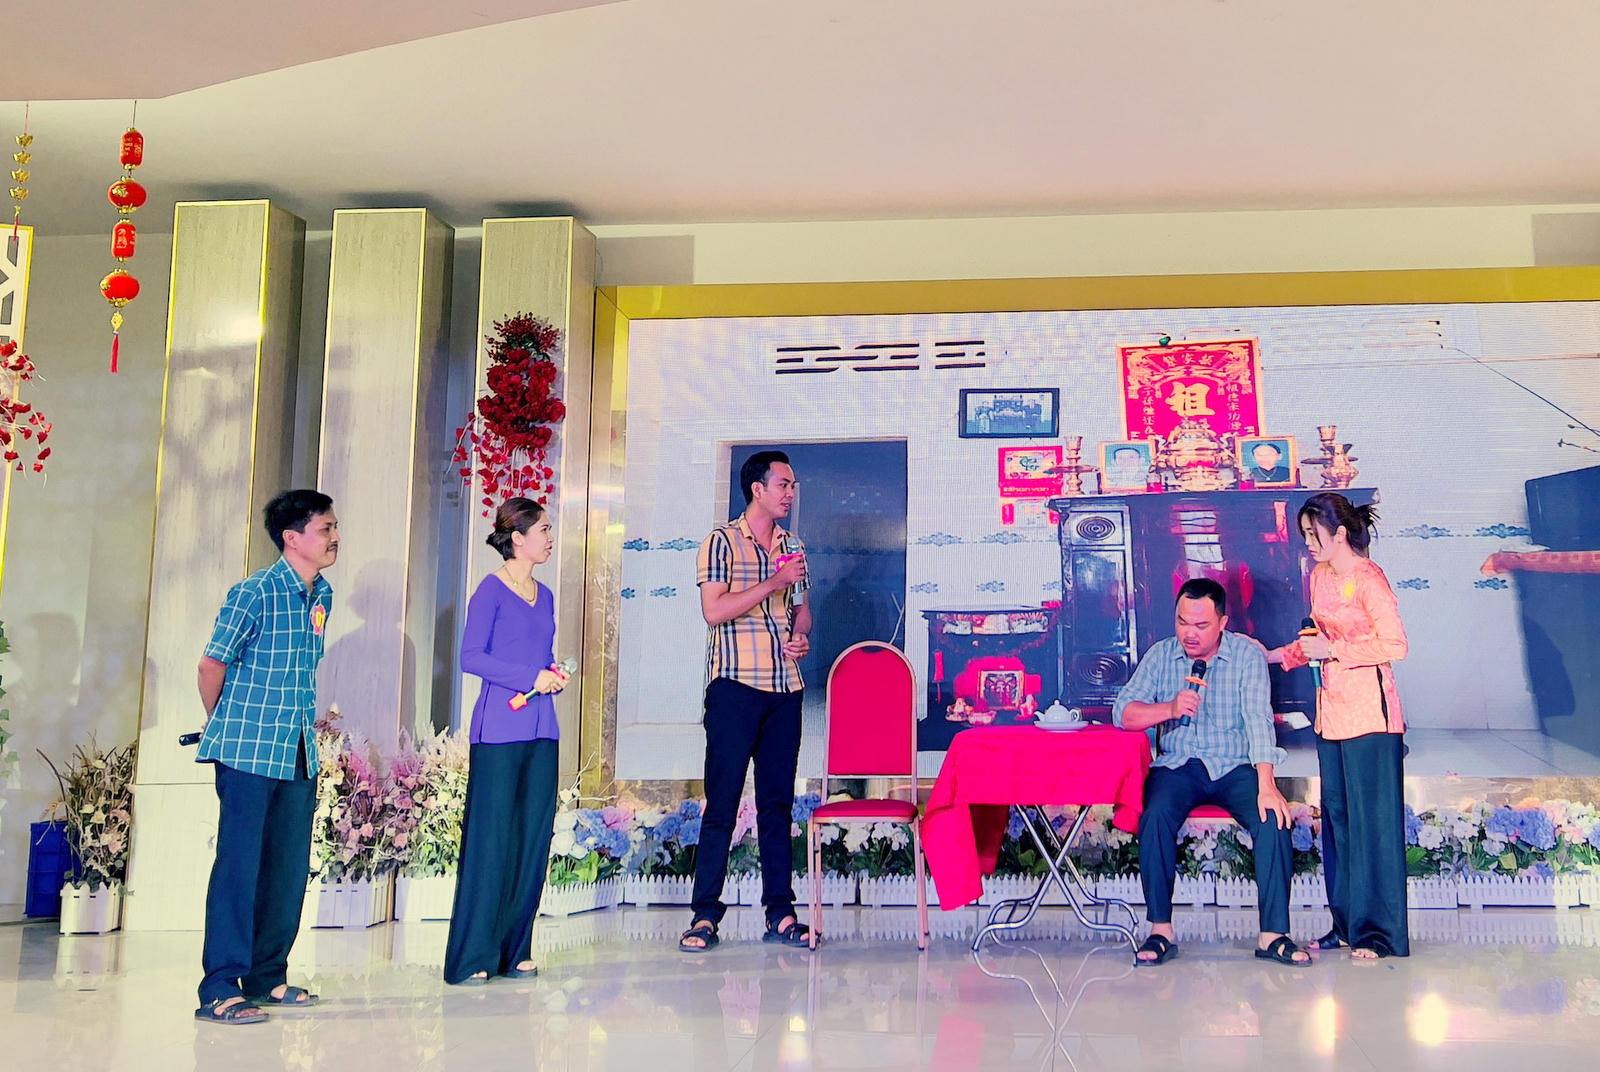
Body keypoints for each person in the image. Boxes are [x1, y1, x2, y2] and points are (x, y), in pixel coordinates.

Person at [194, 490, 339, 1024]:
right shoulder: (253, 592)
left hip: (297, 752)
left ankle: (266, 976)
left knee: (286, 868)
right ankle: (219, 987)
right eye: (325, 529)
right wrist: (225, 723)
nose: (334, 538)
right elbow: (211, 665)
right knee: (239, 868)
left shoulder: (321, 595)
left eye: (334, 527)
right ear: (292, 538)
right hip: (248, 750)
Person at [1112, 578, 1309, 967]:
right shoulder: (1161, 655)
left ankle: (1273, 934)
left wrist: (1266, 784)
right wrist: (1170, 709)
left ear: (1222, 623)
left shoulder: (1246, 656)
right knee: (1155, 815)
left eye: (1201, 625)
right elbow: (1124, 713)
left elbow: (1258, 720)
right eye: (1182, 622)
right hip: (1178, 766)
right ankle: (1160, 930)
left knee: (1273, 819)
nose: (1190, 633)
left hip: (1235, 766)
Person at [680, 450, 813, 952]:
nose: (790, 493)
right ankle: (704, 916)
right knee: (723, 802)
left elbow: (802, 610)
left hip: (785, 688)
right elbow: (714, 611)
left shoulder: (793, 545)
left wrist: (800, 635)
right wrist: (773, 583)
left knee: (777, 804)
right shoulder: (721, 541)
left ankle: (781, 912)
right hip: (734, 686)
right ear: (757, 489)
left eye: (792, 486)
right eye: (783, 484)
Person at [1268, 492, 1410, 959]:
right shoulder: (1320, 576)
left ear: (1341, 533)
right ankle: (1346, 923)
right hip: (1330, 713)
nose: (1308, 543)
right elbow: (1316, 637)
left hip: (1371, 716)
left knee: (1373, 825)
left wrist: (1334, 651)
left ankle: (1379, 934)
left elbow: (1395, 645)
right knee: (1339, 820)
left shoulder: (1369, 579)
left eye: (1315, 534)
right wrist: (1278, 655)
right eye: (1304, 535)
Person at [444, 497, 571, 985]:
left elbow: (539, 653)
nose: (550, 537)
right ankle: (472, 956)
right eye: (543, 530)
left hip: (543, 729)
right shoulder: (490, 591)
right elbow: (471, 657)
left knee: (530, 841)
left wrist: (552, 673)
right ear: (517, 538)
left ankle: (515, 950)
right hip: (499, 729)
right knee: (491, 841)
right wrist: (529, 677)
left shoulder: (547, 595)